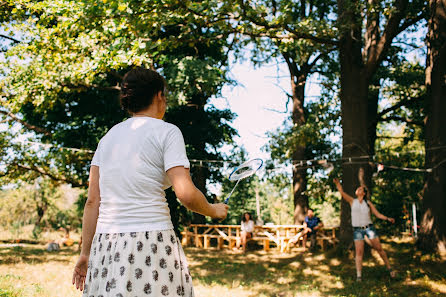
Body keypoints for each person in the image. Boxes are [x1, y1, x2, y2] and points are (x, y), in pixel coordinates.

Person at [72, 67, 229, 296]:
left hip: (106, 245)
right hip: (152, 241)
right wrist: (213, 210)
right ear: (158, 95)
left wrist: (85, 254)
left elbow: (92, 202)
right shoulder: (167, 132)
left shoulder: (106, 139)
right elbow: (184, 193)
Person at [333, 178, 396, 281]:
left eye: (360, 188)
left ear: (364, 193)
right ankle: (359, 276)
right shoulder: (352, 201)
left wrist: (387, 218)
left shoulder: (368, 203)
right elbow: (341, 192)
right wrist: (337, 183)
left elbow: (377, 214)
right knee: (359, 252)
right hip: (358, 230)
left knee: (379, 249)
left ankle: (390, 269)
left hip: (369, 229)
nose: (358, 189)